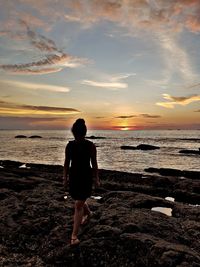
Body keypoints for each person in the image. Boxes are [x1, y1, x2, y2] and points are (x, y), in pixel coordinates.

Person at [63, 118, 100, 245]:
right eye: (76, 134)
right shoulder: (70, 146)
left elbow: (94, 164)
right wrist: (65, 178)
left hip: (85, 177)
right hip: (74, 177)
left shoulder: (90, 146)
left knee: (78, 204)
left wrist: (96, 179)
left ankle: (74, 236)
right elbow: (66, 164)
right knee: (78, 199)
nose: (78, 136)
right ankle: (89, 214)